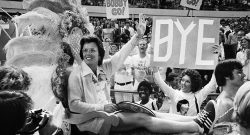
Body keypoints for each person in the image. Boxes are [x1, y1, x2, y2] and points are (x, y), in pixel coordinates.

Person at [215, 59, 245, 123]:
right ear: (227, 76)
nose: (244, 75)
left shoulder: (233, 99)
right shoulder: (225, 104)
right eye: (239, 72)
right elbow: (222, 132)